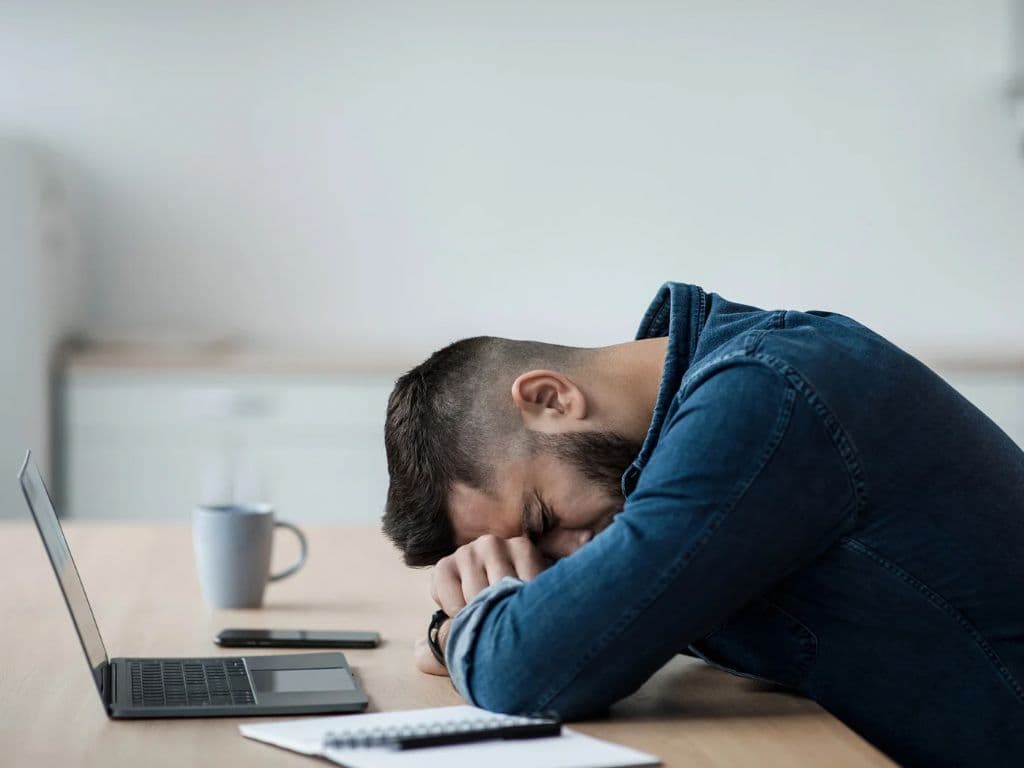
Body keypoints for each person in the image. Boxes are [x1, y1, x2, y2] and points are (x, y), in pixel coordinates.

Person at [382, 282, 1024, 767]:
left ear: (551, 399)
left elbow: (529, 671)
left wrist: (468, 628)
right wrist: (505, 612)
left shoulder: (761, 396)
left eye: (543, 518)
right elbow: (598, 625)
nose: (562, 557)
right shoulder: (703, 400)